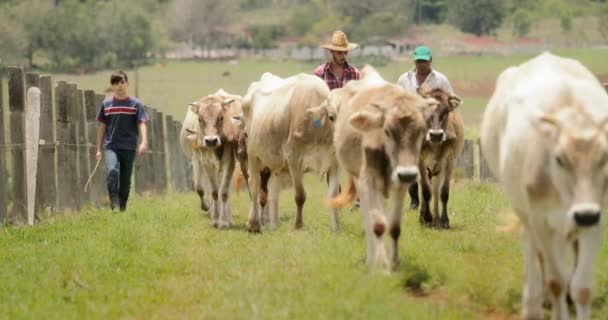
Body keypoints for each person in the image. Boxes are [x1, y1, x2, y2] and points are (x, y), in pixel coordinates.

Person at [397, 46, 454, 210]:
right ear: (414, 61)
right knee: (410, 161)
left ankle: (428, 196)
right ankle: (414, 198)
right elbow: (399, 100)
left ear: (430, 60)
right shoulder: (404, 80)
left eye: (424, 60)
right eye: (419, 61)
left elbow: (450, 102)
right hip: (411, 126)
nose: (422, 64)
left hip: (433, 125)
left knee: (430, 162)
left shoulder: (440, 80)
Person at [96, 71, 149, 212]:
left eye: (122, 82)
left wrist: (143, 141)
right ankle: (114, 202)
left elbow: (142, 123)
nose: (119, 85)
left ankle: (123, 206)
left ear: (127, 84)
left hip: (129, 146)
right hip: (111, 146)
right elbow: (102, 127)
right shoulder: (106, 104)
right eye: (115, 83)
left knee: (125, 179)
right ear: (112, 86)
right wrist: (98, 148)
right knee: (112, 170)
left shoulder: (136, 104)